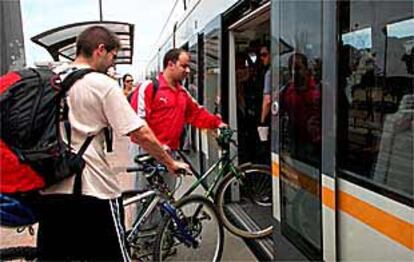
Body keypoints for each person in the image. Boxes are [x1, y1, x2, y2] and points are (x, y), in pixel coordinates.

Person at [36, 26, 188, 261]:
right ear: (100, 50)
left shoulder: (51, 81)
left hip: (50, 189)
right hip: (93, 189)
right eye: (113, 57)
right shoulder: (100, 84)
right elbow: (139, 133)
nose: (113, 64)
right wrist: (169, 161)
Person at [130, 47, 226, 229]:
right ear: (170, 64)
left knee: (166, 197)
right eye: (184, 66)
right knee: (147, 199)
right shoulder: (149, 87)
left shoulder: (182, 93)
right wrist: (157, 149)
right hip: (147, 152)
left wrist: (217, 124)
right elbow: (137, 125)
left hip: (171, 151)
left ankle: (161, 238)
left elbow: (197, 113)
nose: (188, 70)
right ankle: (143, 243)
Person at [280, 53, 321, 164]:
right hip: (295, 141)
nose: (294, 73)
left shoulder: (318, 91)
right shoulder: (287, 91)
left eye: (298, 68)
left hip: (315, 143)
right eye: (291, 69)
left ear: (306, 69)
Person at [258, 44, 271, 142]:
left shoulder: (269, 74)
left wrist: (262, 121)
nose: (262, 58)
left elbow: (267, 100)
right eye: (260, 56)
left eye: (264, 55)